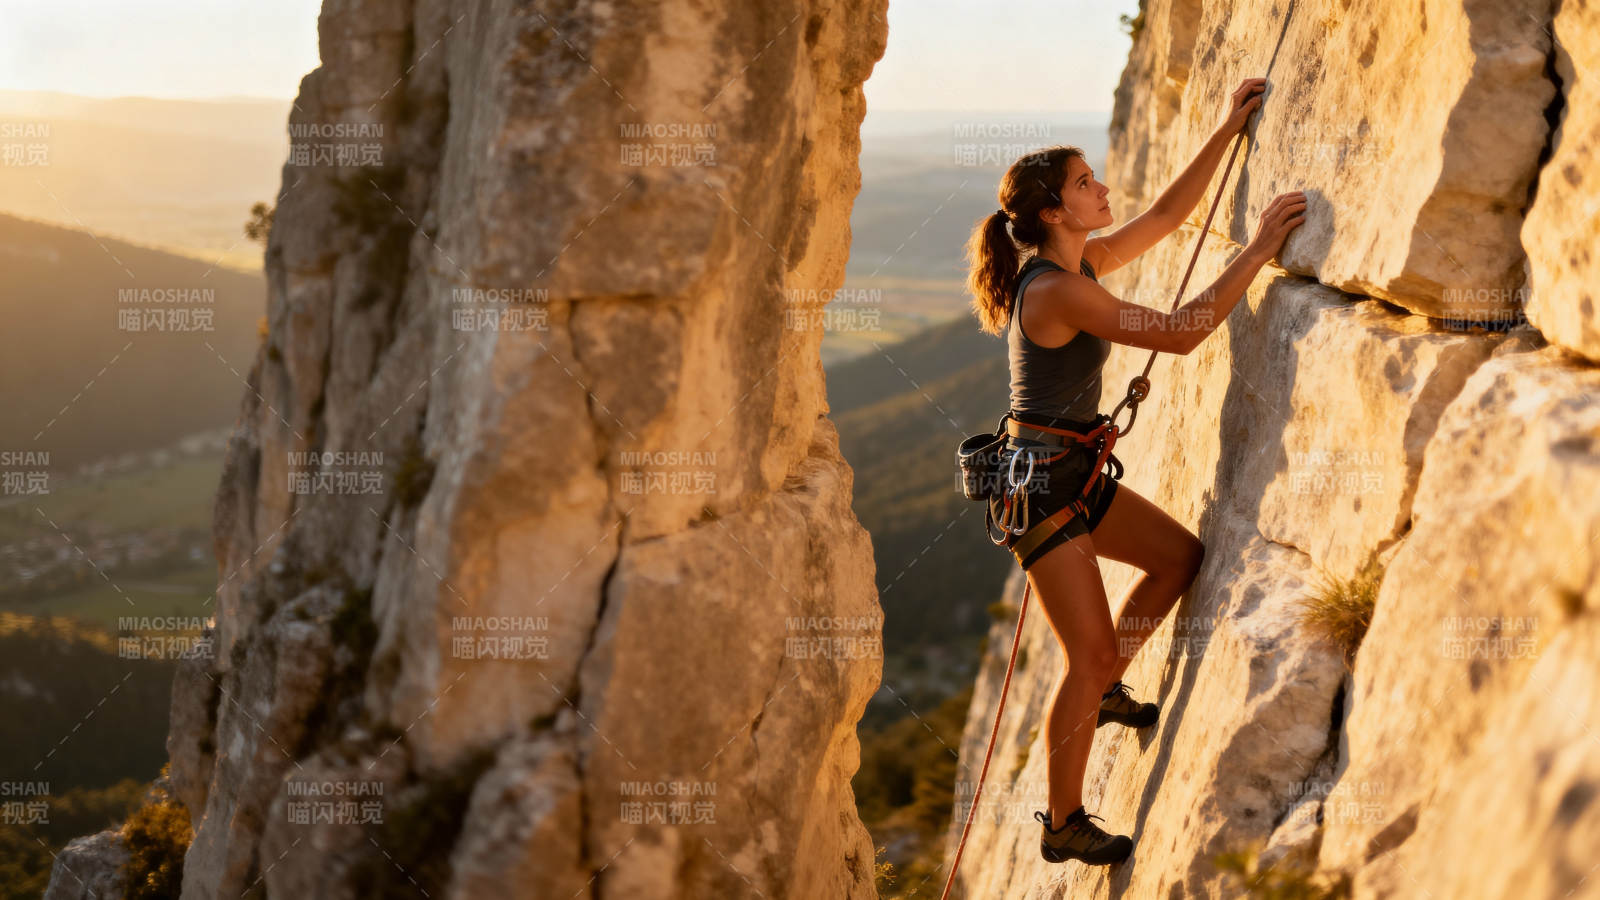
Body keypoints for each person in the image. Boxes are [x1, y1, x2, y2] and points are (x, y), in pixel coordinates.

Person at [960, 76, 1307, 865]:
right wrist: (1257, 251)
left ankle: (1108, 685)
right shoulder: (1054, 291)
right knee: (1087, 660)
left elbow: (1164, 219)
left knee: (1179, 559)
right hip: (1044, 492)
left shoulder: (1077, 264)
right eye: (1086, 183)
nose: (1102, 187)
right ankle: (1061, 824)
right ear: (1054, 211)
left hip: (1065, 475)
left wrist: (1225, 132)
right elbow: (1181, 333)